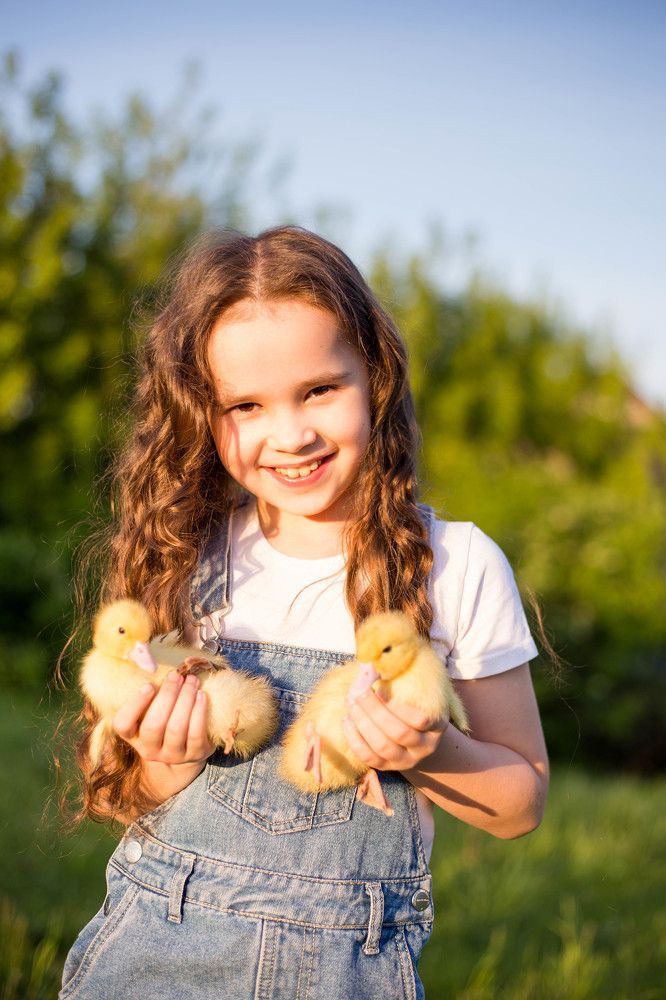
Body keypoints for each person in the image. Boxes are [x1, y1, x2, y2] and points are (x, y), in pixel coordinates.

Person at [59, 226, 549, 1000]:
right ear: (199, 414)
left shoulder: (455, 565)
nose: (290, 434)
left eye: (320, 389)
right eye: (245, 406)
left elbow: (521, 804)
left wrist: (429, 750)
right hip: (156, 955)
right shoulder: (186, 554)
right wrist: (167, 755)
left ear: (375, 376)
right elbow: (117, 792)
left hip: (347, 971)